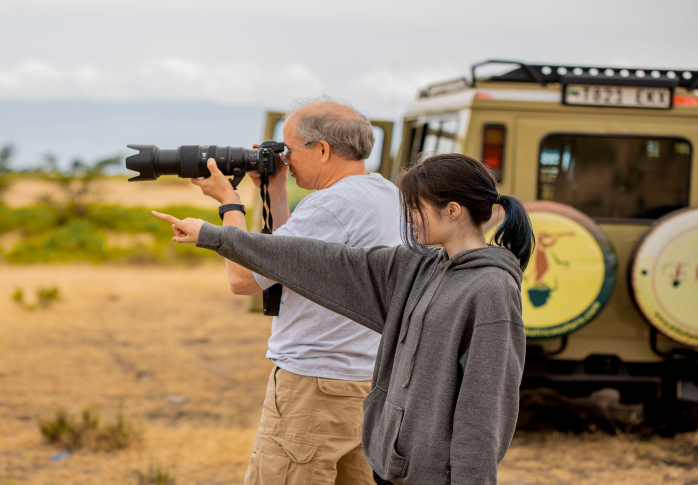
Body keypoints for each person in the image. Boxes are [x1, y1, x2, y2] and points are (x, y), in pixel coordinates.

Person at [153, 153, 533, 485]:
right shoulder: (417, 267)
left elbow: (485, 409)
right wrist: (215, 235)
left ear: (452, 210)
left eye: (415, 208)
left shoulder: (490, 290)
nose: (408, 220)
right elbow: (316, 260)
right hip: (395, 468)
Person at [187, 98, 402, 485]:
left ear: (321, 150)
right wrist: (277, 191)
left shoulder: (331, 206)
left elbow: (244, 280)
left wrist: (229, 202)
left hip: (313, 388)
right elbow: (293, 263)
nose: (284, 157)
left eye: (289, 149)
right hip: (367, 384)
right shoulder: (387, 195)